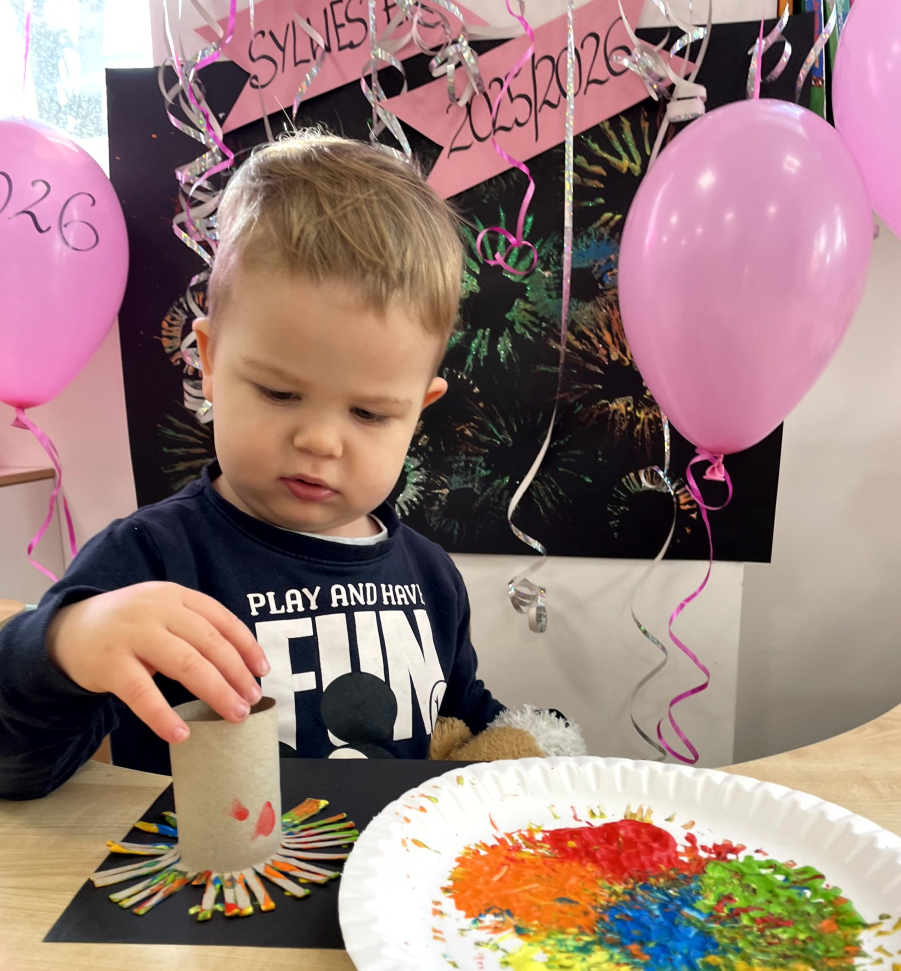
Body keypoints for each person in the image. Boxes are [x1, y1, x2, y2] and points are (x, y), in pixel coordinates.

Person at [0, 133, 581, 802]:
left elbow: (462, 726)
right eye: (279, 393)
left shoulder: (431, 577)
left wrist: (536, 758)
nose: (320, 441)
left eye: (369, 413)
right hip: (199, 869)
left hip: (394, 869)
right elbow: (18, 770)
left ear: (417, 412)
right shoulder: (148, 560)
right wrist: (64, 645)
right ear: (210, 362)